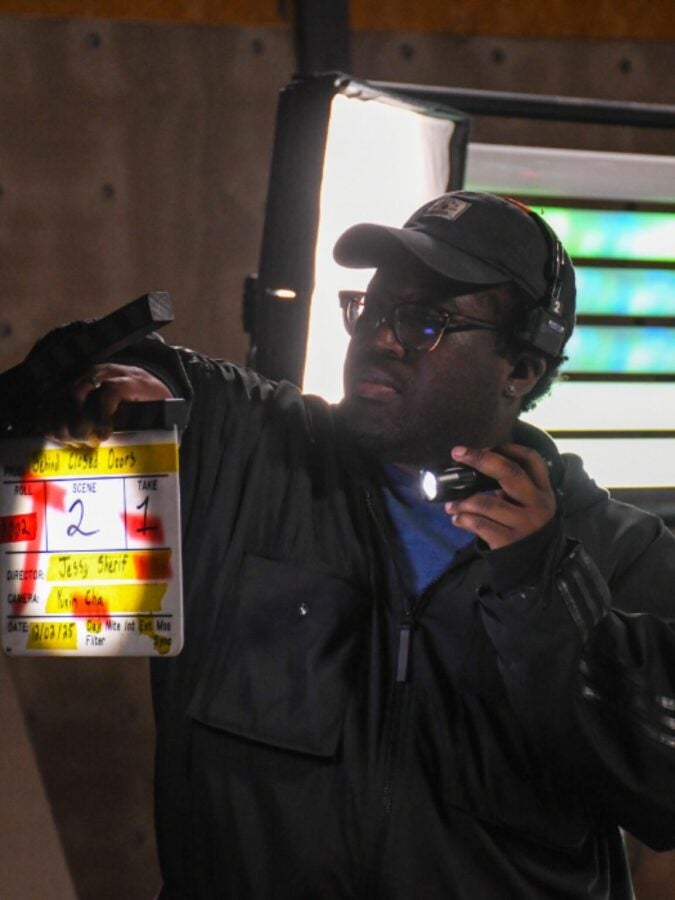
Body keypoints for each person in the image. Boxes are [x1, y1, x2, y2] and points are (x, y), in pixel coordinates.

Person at [32, 192, 675, 897]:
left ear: (519, 368)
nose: (381, 338)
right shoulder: (252, 454)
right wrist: (104, 387)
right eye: (369, 310)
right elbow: (162, 393)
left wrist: (542, 597)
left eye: (425, 323)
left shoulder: (621, 554)